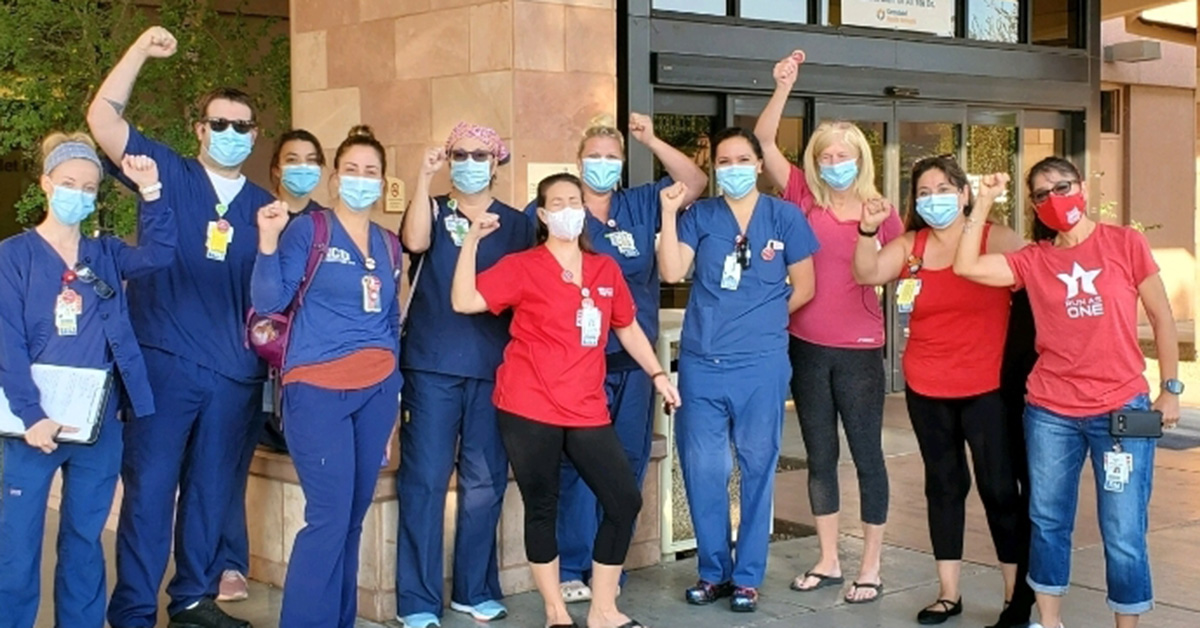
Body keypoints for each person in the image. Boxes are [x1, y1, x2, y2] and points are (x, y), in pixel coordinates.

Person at [87, 26, 276, 628]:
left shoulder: (267, 207)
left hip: (234, 374)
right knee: (149, 492)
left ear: (254, 133)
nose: (229, 134)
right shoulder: (163, 170)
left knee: (212, 492)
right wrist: (140, 51)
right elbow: (103, 119)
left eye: (241, 126)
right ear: (199, 130)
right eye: (218, 124)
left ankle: (192, 600)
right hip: (164, 363)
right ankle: (135, 610)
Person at [954, 158, 1181, 628]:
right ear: (1034, 205)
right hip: (1051, 412)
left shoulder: (1124, 243)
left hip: (1121, 409)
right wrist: (985, 201)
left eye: (1063, 186)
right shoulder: (1034, 260)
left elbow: (1162, 317)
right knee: (1048, 521)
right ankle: (1049, 621)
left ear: (1081, 186)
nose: (1055, 198)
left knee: (1123, 531)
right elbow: (966, 264)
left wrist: (1171, 390)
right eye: (1041, 193)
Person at [453, 173, 681, 628]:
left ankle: (602, 609)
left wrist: (657, 373)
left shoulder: (604, 270)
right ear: (542, 215)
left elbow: (626, 327)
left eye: (573, 201)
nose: (567, 210)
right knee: (543, 505)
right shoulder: (524, 266)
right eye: (556, 203)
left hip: (584, 406)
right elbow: (464, 301)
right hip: (528, 405)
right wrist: (470, 244)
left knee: (622, 500)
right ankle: (556, 611)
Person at [524, 113, 706, 604]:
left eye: (612, 156)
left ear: (623, 164)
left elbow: (694, 181)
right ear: (579, 162)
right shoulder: (561, 208)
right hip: (577, 366)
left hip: (632, 360)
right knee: (575, 465)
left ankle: (609, 568)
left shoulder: (642, 202)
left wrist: (652, 139)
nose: (602, 164)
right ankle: (573, 564)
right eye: (594, 156)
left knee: (623, 465)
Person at [851, 155, 1034, 627]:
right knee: (944, 487)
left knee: (999, 489)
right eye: (924, 193)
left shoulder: (1000, 237)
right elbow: (867, 274)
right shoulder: (912, 244)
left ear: (965, 193)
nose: (933, 200)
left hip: (987, 387)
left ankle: (1017, 596)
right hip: (927, 385)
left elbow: (1038, 285)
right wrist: (868, 231)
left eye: (943, 189)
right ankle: (948, 593)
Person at [0, 136, 173, 628]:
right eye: (69, 183)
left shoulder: (107, 254)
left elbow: (161, 254)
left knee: (83, 539)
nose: (78, 193)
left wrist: (152, 191)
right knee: (17, 545)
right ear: (46, 184)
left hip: (99, 422)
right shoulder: (13, 257)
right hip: (34, 426)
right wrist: (31, 415)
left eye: (89, 187)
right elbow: (6, 343)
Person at [754, 51, 899, 604]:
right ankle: (830, 558)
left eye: (845, 154)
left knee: (866, 454)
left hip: (860, 350)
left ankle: (871, 564)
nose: (836, 161)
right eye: (827, 154)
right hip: (806, 346)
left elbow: (887, 274)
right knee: (819, 454)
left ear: (860, 159)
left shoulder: (881, 210)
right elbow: (766, 142)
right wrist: (783, 87)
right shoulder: (802, 197)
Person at [658, 128, 819, 613]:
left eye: (742, 159)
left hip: (761, 365)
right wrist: (668, 212)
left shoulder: (784, 216)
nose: (733, 168)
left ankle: (747, 576)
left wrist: (761, 322)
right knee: (704, 470)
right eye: (723, 161)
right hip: (703, 364)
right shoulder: (700, 216)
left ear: (758, 164)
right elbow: (670, 272)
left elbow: (805, 287)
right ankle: (712, 572)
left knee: (757, 468)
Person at [252, 125, 403, 628]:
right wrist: (268, 243)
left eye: (372, 172)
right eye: (352, 170)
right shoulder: (310, 231)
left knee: (352, 521)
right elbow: (269, 301)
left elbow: (389, 320)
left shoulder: (388, 244)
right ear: (336, 179)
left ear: (383, 182)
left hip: (377, 391)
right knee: (328, 518)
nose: (362, 180)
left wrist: (393, 388)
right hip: (316, 391)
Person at [395, 123, 533, 628]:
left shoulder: (517, 224)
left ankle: (474, 589)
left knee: (484, 481)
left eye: (479, 154)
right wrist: (420, 177)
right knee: (425, 481)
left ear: (497, 162)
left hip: (493, 367)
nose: (468, 162)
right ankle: (417, 599)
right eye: (459, 154)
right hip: (432, 364)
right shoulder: (432, 208)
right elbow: (413, 242)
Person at [217, 128, 327, 603]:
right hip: (254, 360)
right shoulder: (257, 214)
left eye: (311, 159)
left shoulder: (329, 223)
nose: (302, 167)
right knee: (233, 462)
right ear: (277, 169)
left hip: (312, 366)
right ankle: (229, 563)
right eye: (292, 160)